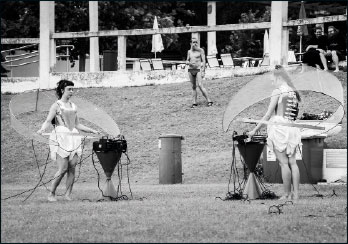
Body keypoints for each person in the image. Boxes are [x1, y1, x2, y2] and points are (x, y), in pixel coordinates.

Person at [37, 80, 100, 202]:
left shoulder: (73, 106)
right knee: (63, 168)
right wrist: (41, 129)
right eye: (69, 89)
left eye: (72, 89)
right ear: (62, 90)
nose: (71, 91)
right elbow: (48, 121)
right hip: (61, 137)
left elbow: (77, 124)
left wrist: (92, 130)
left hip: (73, 138)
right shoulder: (56, 105)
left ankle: (67, 195)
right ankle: (52, 193)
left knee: (72, 167)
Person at [248, 65, 301, 200]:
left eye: (273, 80)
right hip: (292, 128)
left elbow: (268, 115)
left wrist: (254, 130)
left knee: (283, 163)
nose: (272, 82)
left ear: (278, 77)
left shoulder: (277, 91)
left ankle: (287, 194)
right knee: (293, 162)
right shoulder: (293, 92)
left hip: (280, 129)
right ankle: (296, 195)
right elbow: (294, 114)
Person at [186, 37, 213, 108]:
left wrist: (203, 71)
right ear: (190, 43)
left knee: (200, 85)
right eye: (193, 42)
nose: (195, 44)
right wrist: (187, 62)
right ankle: (194, 102)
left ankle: (209, 100)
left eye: (196, 42)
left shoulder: (200, 50)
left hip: (198, 69)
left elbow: (204, 61)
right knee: (193, 86)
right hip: (191, 69)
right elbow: (187, 60)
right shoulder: (189, 52)